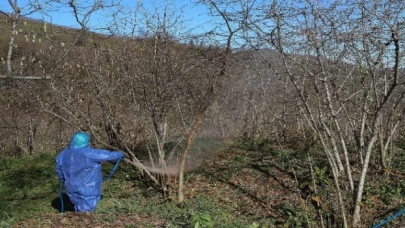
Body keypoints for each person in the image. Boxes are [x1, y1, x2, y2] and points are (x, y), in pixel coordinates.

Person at [55, 131, 126, 212]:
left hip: (70, 187)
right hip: (88, 187)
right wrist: (120, 154)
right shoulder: (89, 153)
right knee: (87, 212)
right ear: (86, 141)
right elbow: (107, 155)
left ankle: (77, 220)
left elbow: (59, 170)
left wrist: (63, 180)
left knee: (77, 206)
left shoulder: (62, 155)